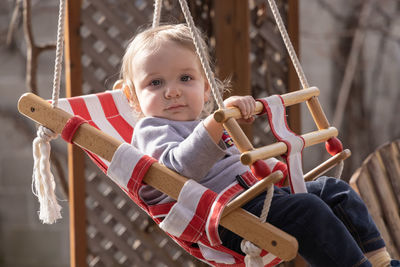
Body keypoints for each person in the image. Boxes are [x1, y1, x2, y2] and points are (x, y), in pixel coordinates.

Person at [118, 23, 399, 267]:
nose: (173, 90)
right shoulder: (152, 129)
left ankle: (380, 261)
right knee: (308, 209)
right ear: (132, 98)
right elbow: (182, 168)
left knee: (335, 190)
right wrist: (217, 122)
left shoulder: (202, 124)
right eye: (155, 83)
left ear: (206, 89)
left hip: (255, 199)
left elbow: (238, 164)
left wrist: (272, 167)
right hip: (227, 217)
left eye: (185, 78)